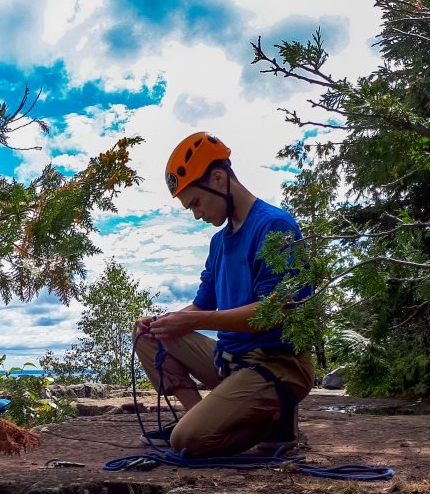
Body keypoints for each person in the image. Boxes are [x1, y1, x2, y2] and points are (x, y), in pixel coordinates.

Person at [133, 132, 315, 456]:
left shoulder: (274, 226)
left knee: (187, 442)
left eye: (196, 202)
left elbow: (274, 312)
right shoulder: (219, 243)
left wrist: (193, 321)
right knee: (147, 334)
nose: (197, 214)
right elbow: (203, 304)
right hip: (229, 364)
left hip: (277, 366)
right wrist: (168, 322)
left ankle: (274, 422)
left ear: (218, 178)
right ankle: (197, 416)